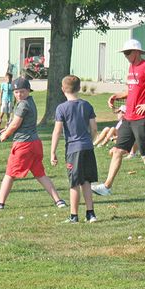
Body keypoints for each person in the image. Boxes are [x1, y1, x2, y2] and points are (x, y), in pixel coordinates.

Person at [92, 39, 145, 196]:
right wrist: (115, 96)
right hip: (128, 117)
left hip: (142, 118)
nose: (125, 56)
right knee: (118, 151)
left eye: (128, 53)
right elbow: (131, 91)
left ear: (137, 52)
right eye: (124, 53)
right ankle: (107, 186)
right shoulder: (131, 66)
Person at [0, 77, 66, 211]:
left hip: (23, 145)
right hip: (35, 144)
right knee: (40, 174)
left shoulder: (22, 104)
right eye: (16, 92)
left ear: (28, 91)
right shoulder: (30, 102)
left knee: (9, 174)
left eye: (22, 91)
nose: (19, 94)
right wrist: (7, 128)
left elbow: (15, 123)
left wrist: (6, 134)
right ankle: (59, 201)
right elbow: (19, 122)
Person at [51, 75, 98, 223]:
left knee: (74, 183)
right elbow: (94, 129)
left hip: (73, 149)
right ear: (78, 88)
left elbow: (57, 131)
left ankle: (74, 215)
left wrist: (52, 151)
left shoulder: (61, 108)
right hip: (88, 148)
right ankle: (91, 214)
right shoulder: (87, 105)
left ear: (62, 89)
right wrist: (90, 141)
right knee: (87, 182)